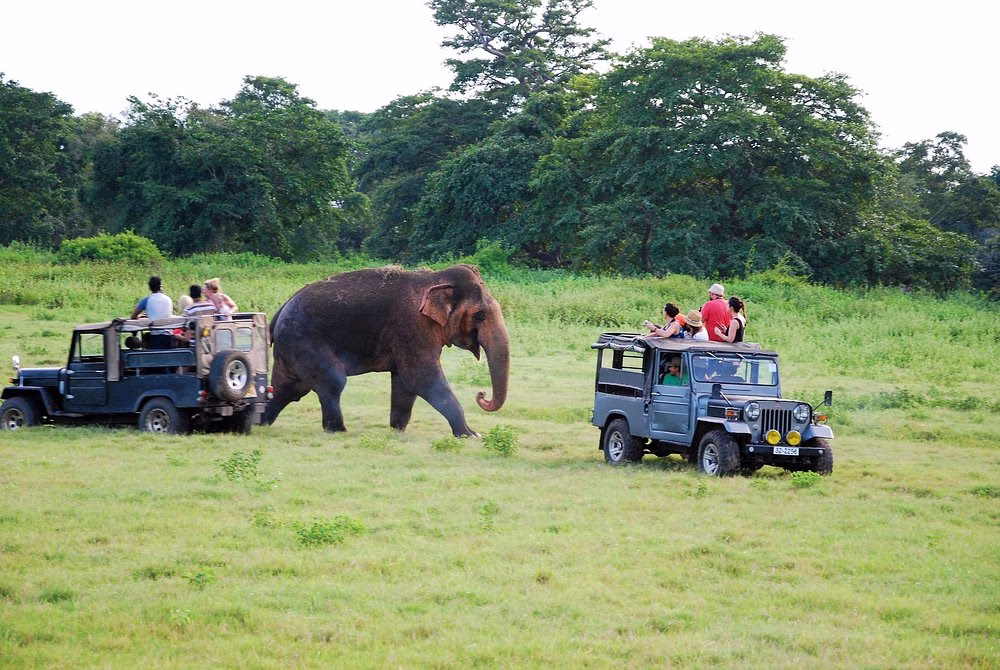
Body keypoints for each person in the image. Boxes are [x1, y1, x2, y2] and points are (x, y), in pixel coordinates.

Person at [130, 276, 174, 348]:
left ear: (149, 288)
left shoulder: (147, 300)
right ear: (160, 286)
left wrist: (141, 316)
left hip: (155, 337)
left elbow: (133, 316)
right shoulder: (168, 299)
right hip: (169, 336)